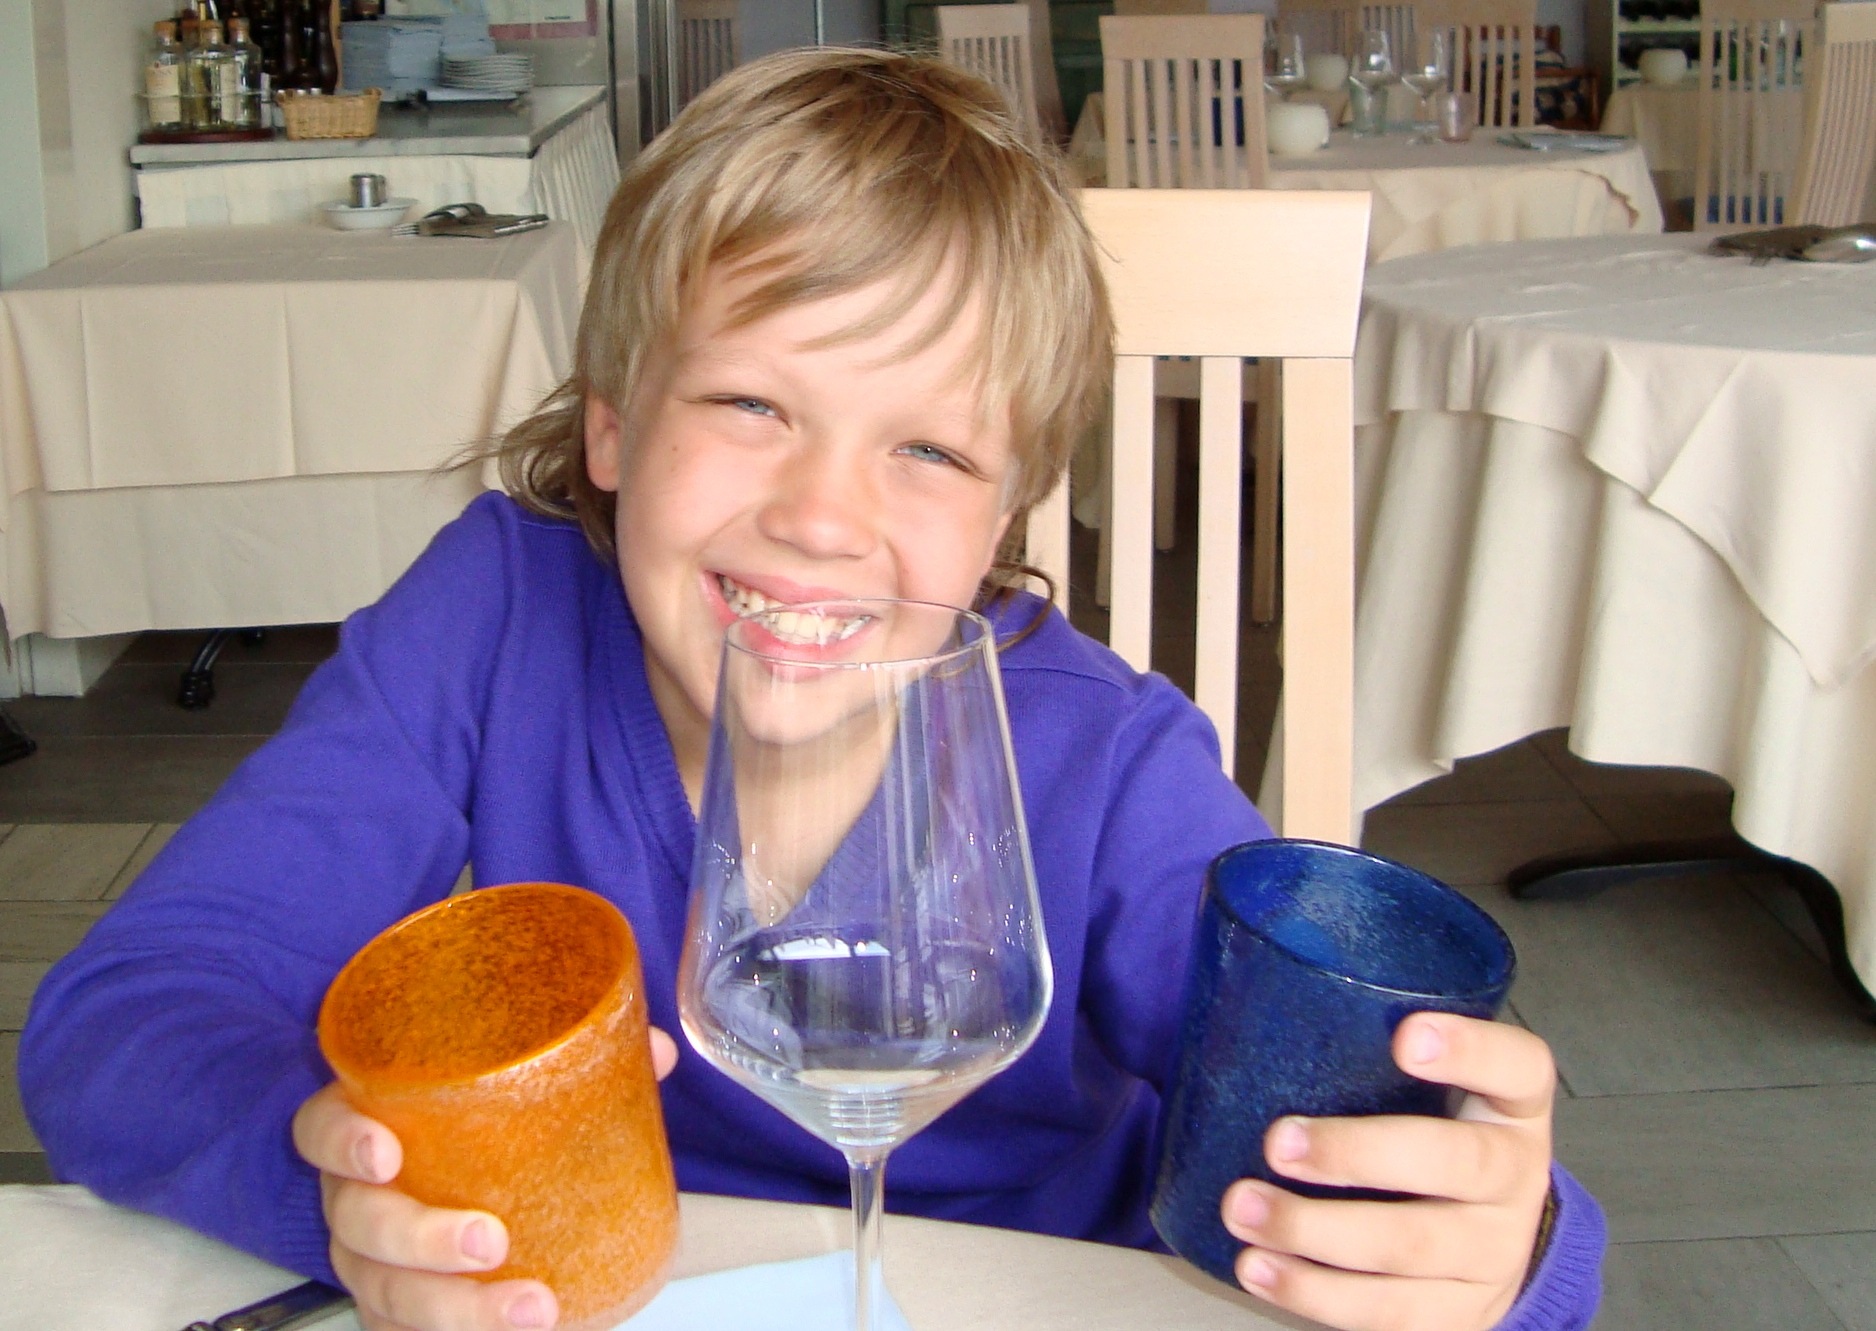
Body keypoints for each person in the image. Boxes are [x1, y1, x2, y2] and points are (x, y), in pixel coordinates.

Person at [19, 48, 1602, 1331]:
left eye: (929, 449)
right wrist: (350, 1188)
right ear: (613, 425)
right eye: (751, 404)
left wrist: (1490, 1246)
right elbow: (128, 1018)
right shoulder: (492, 623)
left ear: (1006, 511)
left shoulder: (1102, 767)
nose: (824, 517)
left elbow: (1362, 1147)